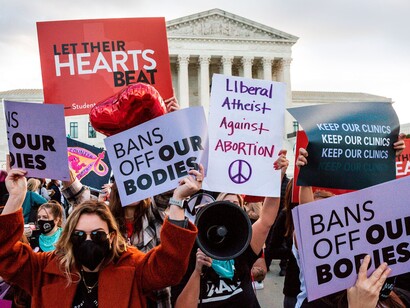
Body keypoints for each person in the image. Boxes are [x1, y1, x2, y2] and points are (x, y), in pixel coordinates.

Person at [0, 165, 204, 307]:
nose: (88, 241)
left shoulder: (133, 267)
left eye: (97, 235)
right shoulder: (45, 269)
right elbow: (6, 256)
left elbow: (169, 268)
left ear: (113, 237)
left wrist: (177, 199)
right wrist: (16, 197)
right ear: (69, 237)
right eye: (79, 235)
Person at [172, 150, 289, 307]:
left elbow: (266, 219)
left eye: (236, 206)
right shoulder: (190, 253)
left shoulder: (241, 246)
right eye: (227, 206)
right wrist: (197, 272)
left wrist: (276, 178)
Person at [109, 181, 170, 307]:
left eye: (137, 184)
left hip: (153, 297)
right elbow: (79, 199)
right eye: (128, 184)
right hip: (122, 296)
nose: (133, 189)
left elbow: (165, 193)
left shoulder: (152, 212)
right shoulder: (107, 220)